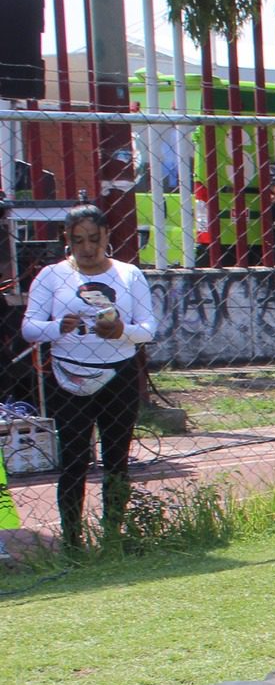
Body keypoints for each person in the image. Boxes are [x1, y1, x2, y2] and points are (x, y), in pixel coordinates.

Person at [22, 204, 159, 548]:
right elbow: (29, 327)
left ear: (107, 236)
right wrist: (57, 327)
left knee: (116, 459)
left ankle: (113, 536)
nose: (86, 248)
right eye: (78, 240)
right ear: (66, 239)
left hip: (119, 374)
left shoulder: (128, 275)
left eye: (94, 239)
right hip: (70, 376)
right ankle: (72, 540)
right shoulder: (52, 276)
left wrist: (121, 332)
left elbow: (149, 328)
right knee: (74, 460)